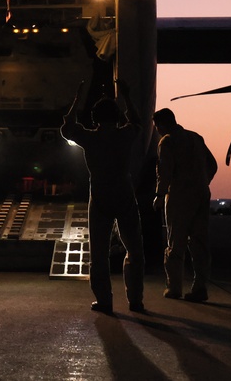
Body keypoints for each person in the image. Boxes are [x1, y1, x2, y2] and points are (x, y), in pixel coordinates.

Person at [61, 81, 145, 315]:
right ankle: (135, 300)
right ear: (117, 116)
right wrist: (127, 97)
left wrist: (77, 100)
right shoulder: (125, 135)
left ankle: (105, 302)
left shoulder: (89, 138)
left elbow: (66, 129)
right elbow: (138, 123)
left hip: (99, 195)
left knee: (98, 253)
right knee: (134, 250)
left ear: (95, 118)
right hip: (124, 192)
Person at [152, 108, 217, 302]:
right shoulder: (195, 138)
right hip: (201, 194)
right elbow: (212, 165)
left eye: (157, 127)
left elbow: (164, 171)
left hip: (179, 196)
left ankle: (174, 288)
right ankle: (200, 287)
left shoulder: (167, 141)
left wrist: (159, 194)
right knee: (199, 242)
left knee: (176, 242)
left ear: (162, 124)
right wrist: (203, 182)